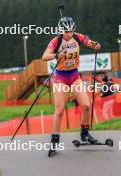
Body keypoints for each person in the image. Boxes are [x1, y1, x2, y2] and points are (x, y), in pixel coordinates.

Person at [41, 17, 101, 153]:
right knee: (60, 109)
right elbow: (44, 56)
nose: (70, 34)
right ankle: (54, 139)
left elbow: (90, 42)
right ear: (62, 31)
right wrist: (56, 55)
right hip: (61, 77)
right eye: (67, 32)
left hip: (74, 76)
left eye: (71, 31)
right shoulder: (56, 41)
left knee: (86, 105)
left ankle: (84, 133)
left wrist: (96, 45)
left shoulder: (77, 37)